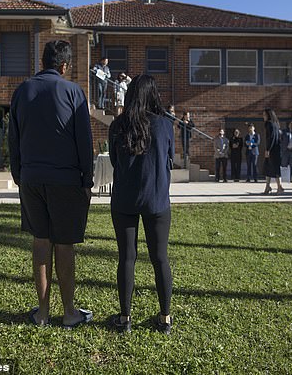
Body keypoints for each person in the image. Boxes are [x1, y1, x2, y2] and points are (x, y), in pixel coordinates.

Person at [9, 40, 94, 328]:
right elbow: (84, 139)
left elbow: (14, 137)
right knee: (65, 244)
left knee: (40, 242)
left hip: (31, 178)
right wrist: (87, 178)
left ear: (42, 61)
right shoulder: (73, 91)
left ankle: (43, 313)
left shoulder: (22, 90)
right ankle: (69, 312)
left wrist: (19, 175)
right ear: (65, 65)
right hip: (66, 179)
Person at [108, 74, 174, 334]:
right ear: (153, 94)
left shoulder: (117, 125)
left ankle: (125, 319)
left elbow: (114, 161)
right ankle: (165, 319)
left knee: (127, 257)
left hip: (124, 198)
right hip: (157, 199)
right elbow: (170, 159)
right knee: (160, 258)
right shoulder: (165, 124)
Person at [262, 108, 283, 194]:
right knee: (268, 168)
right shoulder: (276, 124)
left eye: (264, 115)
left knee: (274, 168)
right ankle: (267, 186)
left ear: (268, 115)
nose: (263, 117)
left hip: (272, 150)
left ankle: (279, 187)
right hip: (277, 149)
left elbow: (271, 138)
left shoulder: (269, 124)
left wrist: (268, 149)